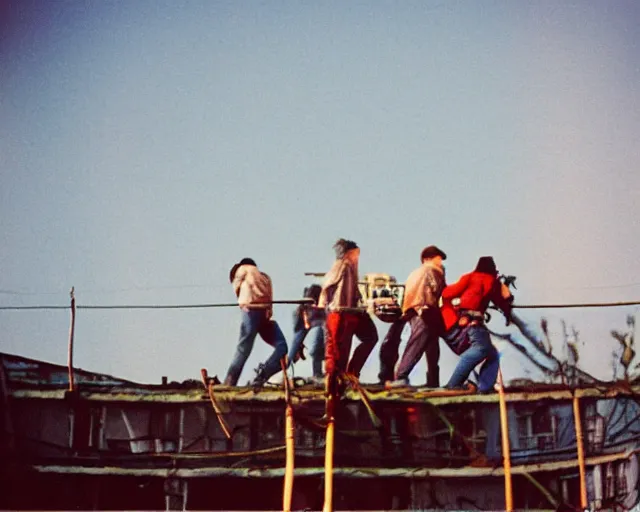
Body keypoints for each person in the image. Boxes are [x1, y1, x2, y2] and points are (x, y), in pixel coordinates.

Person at [441, 256, 513, 393]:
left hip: (466, 320)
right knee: (480, 349)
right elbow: (504, 299)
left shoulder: (469, 277)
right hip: (475, 322)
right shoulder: (493, 282)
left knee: (491, 353)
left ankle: (484, 387)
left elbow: (446, 293)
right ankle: (455, 383)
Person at [318, 239, 378, 397]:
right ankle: (335, 382)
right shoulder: (342, 264)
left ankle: (349, 374)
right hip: (339, 312)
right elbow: (327, 284)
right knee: (338, 349)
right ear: (350, 253)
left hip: (351, 312)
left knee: (368, 338)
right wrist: (323, 304)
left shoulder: (351, 267)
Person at [382, 245, 447, 388]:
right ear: (428, 259)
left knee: (430, 345)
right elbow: (440, 291)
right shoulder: (432, 271)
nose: (440, 263)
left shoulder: (414, 273)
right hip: (425, 310)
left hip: (413, 310)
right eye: (439, 259)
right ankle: (401, 377)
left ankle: (432, 380)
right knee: (417, 344)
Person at [224, 258, 288, 387]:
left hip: (251, 312)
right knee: (282, 346)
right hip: (264, 314)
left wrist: (241, 301)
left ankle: (230, 382)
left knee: (244, 348)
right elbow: (270, 298)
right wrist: (269, 311)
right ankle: (263, 374)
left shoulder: (242, 269)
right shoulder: (265, 277)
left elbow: (236, 285)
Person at [287, 284, 325, 383]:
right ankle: (285, 373)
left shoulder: (316, 312)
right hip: (311, 339)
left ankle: (317, 373)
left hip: (320, 342)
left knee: (317, 334)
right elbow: (298, 336)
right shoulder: (301, 312)